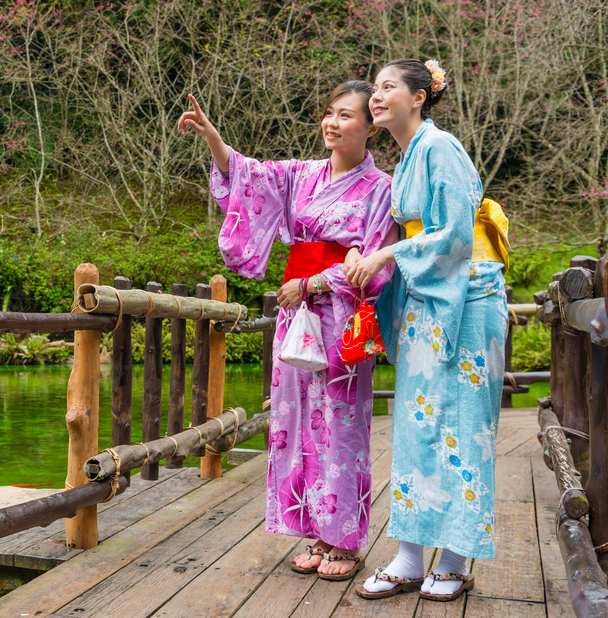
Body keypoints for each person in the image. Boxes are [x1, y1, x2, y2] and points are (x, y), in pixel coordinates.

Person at [178, 82, 398, 581]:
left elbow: (380, 266)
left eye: (345, 116)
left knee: (340, 427)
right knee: (296, 421)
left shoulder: (382, 189)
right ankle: (312, 528)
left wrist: (316, 281)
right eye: (327, 113)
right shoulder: (301, 174)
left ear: (370, 127)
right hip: (295, 317)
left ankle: (342, 538)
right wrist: (212, 136)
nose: (331, 123)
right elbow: (247, 175)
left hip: (338, 316)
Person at [346, 59, 509, 602]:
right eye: (374, 88)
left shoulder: (440, 147)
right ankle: (411, 555)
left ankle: (457, 556)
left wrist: (389, 251)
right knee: (416, 426)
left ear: (419, 96)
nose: (376, 95)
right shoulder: (409, 156)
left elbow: (457, 231)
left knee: (463, 426)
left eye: (388, 86)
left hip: (468, 299)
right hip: (427, 298)